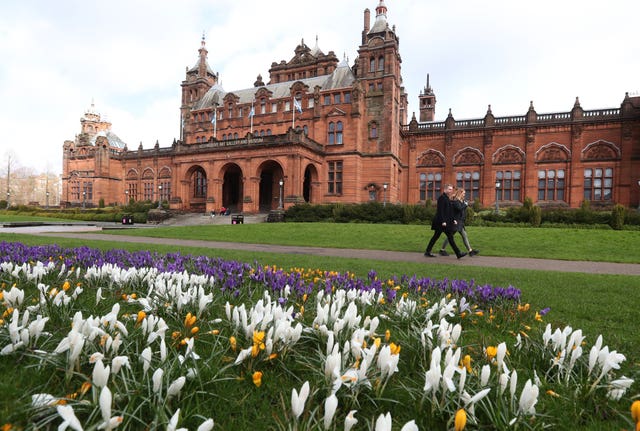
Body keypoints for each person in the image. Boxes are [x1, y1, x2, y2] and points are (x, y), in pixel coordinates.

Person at [424, 184, 467, 259]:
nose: (451, 191)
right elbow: (440, 211)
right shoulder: (442, 198)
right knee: (450, 237)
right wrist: (443, 221)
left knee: (436, 237)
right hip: (441, 222)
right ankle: (458, 253)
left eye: (451, 189)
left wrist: (453, 219)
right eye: (449, 189)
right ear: (445, 189)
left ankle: (427, 252)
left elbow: (449, 211)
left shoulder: (447, 198)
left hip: (444, 222)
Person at [439, 188, 479, 256]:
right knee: (450, 237)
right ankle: (442, 250)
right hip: (455, 222)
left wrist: (464, 204)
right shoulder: (455, 201)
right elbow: (459, 208)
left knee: (464, 235)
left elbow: (462, 209)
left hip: (460, 222)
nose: (464, 195)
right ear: (460, 193)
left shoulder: (461, 201)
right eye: (463, 193)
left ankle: (470, 251)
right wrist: (465, 205)